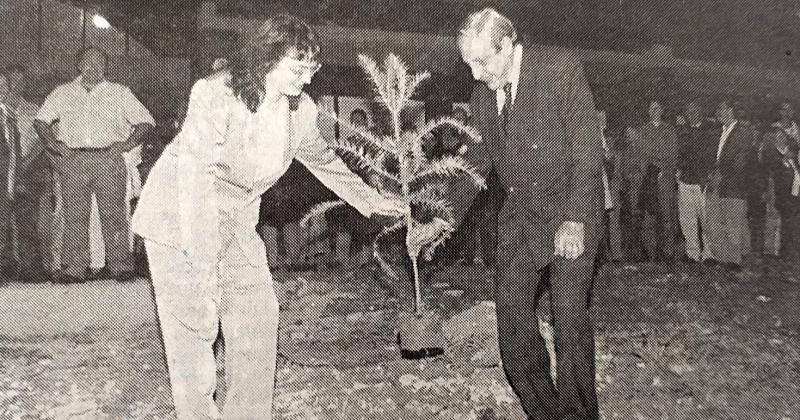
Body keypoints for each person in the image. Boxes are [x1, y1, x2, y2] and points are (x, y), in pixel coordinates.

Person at [131, 15, 404, 419]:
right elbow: (195, 178)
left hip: (239, 217)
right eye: (298, 68)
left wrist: (369, 199)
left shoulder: (302, 111)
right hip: (181, 215)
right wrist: (202, 261)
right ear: (266, 58)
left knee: (258, 318)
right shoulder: (215, 94)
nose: (307, 80)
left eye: (312, 69)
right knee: (193, 329)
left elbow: (324, 159)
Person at [412, 8, 603, 419]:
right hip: (522, 218)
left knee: (568, 321)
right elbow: (477, 164)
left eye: (482, 61)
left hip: (572, 210)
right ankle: (544, 412)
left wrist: (575, 220)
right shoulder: (485, 95)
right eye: (469, 65)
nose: (476, 74)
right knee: (512, 325)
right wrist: (441, 219)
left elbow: (588, 152)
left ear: (507, 46)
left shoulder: (559, 70)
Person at [34, 47, 155, 283]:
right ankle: (75, 268)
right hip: (74, 160)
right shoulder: (63, 92)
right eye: (88, 62)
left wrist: (127, 144)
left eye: (99, 62)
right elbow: (40, 121)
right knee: (75, 215)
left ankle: (120, 266)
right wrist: (54, 144)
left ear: (106, 67)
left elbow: (146, 121)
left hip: (109, 159)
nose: (93, 66)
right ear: (79, 65)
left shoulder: (120, 93)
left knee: (114, 215)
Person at [704, 100, 754, 271]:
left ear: (731, 110)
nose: (718, 113)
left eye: (721, 109)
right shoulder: (717, 132)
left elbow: (741, 160)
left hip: (734, 185)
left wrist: (721, 174)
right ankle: (721, 256)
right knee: (714, 220)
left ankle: (734, 260)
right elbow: (712, 157)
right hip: (716, 183)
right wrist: (711, 173)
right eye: (718, 110)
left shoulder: (744, 132)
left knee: (733, 222)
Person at [636, 100, 678, 262]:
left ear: (662, 110)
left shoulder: (669, 130)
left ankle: (668, 251)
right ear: (648, 111)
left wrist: (665, 171)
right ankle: (651, 252)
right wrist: (645, 173)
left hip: (664, 178)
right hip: (648, 178)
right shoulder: (643, 130)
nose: (654, 111)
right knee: (648, 215)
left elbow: (673, 155)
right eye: (651, 108)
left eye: (657, 108)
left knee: (667, 216)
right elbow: (639, 154)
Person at [676, 101, 716, 263]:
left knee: (706, 219)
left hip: (702, 182)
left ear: (700, 111)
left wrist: (709, 176)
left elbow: (713, 156)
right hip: (685, 180)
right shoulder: (682, 131)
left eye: (694, 110)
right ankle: (692, 252)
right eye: (688, 111)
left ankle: (709, 254)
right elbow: (678, 153)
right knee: (687, 219)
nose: (691, 114)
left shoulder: (710, 130)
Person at [0, 72, 22, 279]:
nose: (2, 89)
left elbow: (15, 152)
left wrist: (15, 181)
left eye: (4, 85)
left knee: (3, 226)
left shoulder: (9, 115)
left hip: (7, 182)